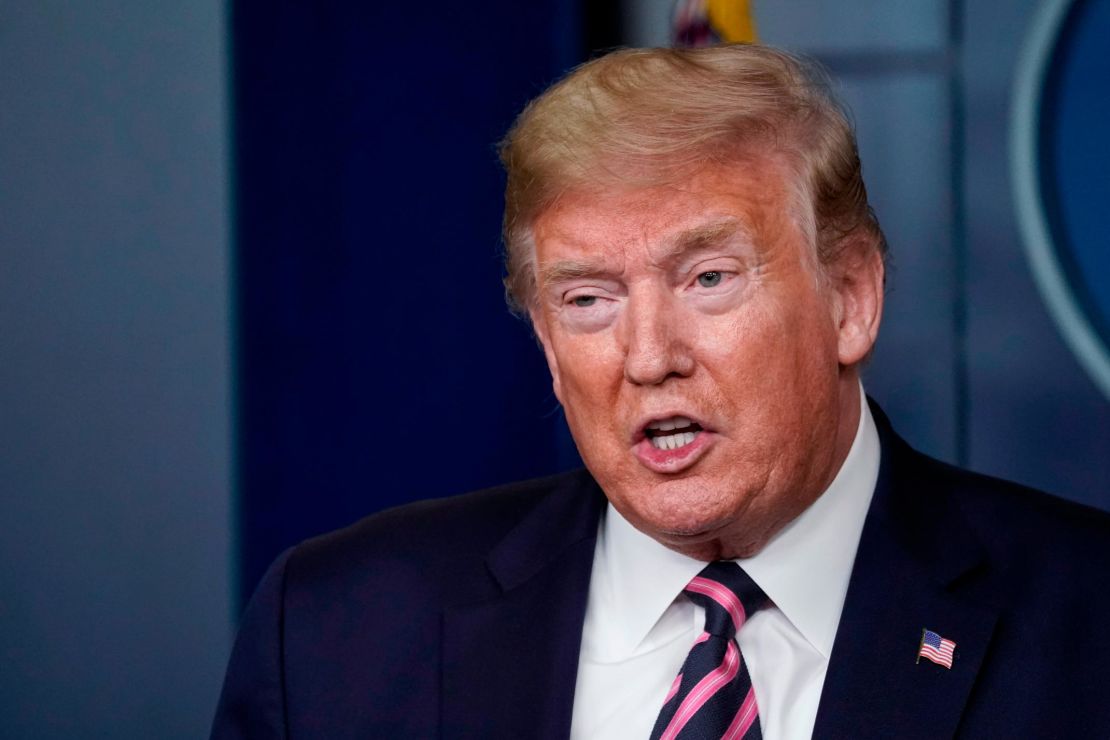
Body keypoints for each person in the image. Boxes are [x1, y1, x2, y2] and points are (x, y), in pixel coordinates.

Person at [211, 44, 1110, 739]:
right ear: (549, 349)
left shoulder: (1087, 626)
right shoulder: (335, 633)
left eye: (709, 279)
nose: (648, 358)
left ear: (851, 298)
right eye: (588, 300)